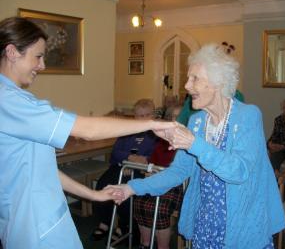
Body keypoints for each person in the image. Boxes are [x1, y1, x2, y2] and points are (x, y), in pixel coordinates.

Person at [0, 17, 174, 249]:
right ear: (12, 52)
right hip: (35, 224)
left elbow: (41, 169)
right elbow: (89, 130)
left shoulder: (13, 100)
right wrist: (152, 123)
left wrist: (95, 195)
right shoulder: (10, 101)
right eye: (38, 56)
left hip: (36, 218)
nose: (42, 66)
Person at [112, 43, 285, 248]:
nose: (186, 85)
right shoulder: (197, 121)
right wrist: (131, 188)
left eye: (194, 78)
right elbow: (178, 172)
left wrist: (194, 144)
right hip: (205, 223)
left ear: (218, 82)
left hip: (242, 223)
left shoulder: (248, 115)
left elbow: (239, 172)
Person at [91, 99, 158, 242]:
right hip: (121, 166)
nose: (144, 118)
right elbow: (116, 152)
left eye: (147, 115)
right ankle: (105, 222)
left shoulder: (156, 135)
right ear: (134, 116)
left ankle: (125, 226)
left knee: (126, 191)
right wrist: (128, 158)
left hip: (143, 170)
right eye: (140, 115)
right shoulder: (128, 131)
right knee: (103, 183)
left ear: (153, 115)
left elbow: (156, 156)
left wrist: (139, 162)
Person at [134, 105, 183, 249]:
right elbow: (152, 161)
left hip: (177, 184)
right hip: (156, 178)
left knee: (159, 209)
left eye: (180, 116)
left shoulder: (188, 139)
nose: (177, 119)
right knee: (139, 203)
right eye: (174, 116)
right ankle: (146, 243)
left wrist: (160, 173)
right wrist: (149, 169)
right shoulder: (162, 140)